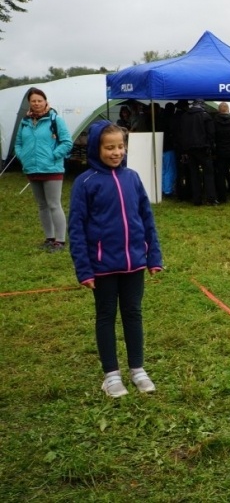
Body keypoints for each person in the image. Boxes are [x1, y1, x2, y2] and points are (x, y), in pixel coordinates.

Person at [68, 120, 163, 398]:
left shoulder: (132, 177)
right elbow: (76, 228)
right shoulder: (85, 183)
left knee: (133, 313)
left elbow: (146, 219)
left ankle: (137, 369)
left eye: (120, 146)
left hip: (134, 263)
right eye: (109, 147)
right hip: (102, 267)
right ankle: (111, 375)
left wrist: (153, 256)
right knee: (106, 316)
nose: (116, 152)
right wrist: (84, 270)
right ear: (96, 149)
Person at [13, 87, 74, 252]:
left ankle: (60, 241)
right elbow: (18, 143)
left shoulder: (55, 120)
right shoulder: (25, 122)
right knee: (42, 205)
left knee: (54, 204)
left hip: (51, 168)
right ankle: (49, 238)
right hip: (32, 168)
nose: (37, 103)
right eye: (33, 101)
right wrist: (23, 157)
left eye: (39, 100)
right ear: (29, 103)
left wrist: (54, 156)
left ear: (45, 101)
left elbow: (67, 142)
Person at [179, 99, 218, 206]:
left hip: (189, 149)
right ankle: (210, 198)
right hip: (203, 148)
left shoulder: (185, 116)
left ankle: (197, 199)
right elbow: (211, 133)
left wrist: (184, 149)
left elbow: (182, 133)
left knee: (194, 174)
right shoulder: (205, 116)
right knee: (208, 173)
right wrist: (210, 145)